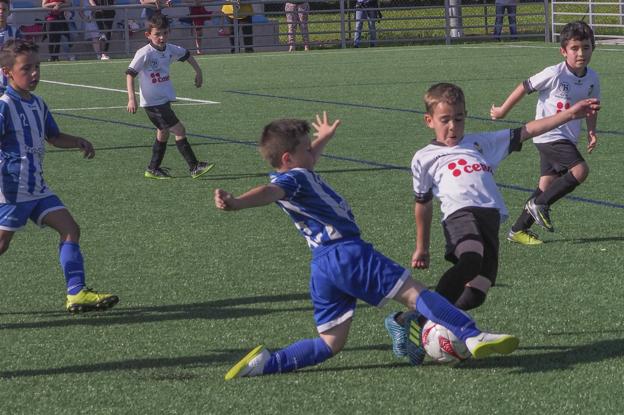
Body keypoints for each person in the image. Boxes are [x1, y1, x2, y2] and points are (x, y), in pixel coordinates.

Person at [215, 112, 523, 380]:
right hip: (348, 253)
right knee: (416, 295)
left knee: (330, 342)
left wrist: (322, 140)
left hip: (322, 265)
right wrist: (238, 202)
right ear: (289, 159)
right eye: (308, 148)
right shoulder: (294, 179)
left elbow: (296, 168)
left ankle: (268, 363)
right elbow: (270, 191)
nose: (314, 151)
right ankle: (471, 335)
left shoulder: (296, 172)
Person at [396, 83, 599, 365]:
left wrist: (570, 114)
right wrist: (422, 247)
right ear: (429, 121)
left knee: (479, 288)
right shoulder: (424, 157)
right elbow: (423, 203)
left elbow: (527, 130)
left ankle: (413, 321)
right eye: (445, 120)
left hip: (489, 218)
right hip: (459, 214)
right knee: (470, 258)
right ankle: (435, 322)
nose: (453, 126)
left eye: (459, 118)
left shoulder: (480, 143)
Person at [0, 39, 119, 313]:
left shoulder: (38, 103)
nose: (34, 73)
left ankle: (76, 293)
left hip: (37, 186)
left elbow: (53, 136)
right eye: (26, 68)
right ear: (7, 72)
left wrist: (77, 140)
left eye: (37, 67)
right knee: (2, 244)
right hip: (12, 188)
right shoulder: (4, 106)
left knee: (70, 229)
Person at [490, 21, 600, 245]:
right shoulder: (554, 73)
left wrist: (591, 131)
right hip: (547, 134)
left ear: (592, 48)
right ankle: (541, 204)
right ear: (563, 51)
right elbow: (524, 86)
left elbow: (592, 106)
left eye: (586, 48)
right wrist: (502, 110)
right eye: (575, 48)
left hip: (567, 136)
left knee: (546, 185)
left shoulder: (592, 78)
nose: (581, 53)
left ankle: (518, 229)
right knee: (580, 170)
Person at [126, 12, 214, 179]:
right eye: (157, 34)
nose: (161, 37)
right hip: (153, 103)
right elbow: (130, 74)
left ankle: (153, 168)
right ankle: (194, 166)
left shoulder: (170, 49)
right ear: (148, 35)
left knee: (163, 132)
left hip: (164, 101)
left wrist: (199, 72)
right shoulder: (144, 53)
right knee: (179, 130)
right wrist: (132, 98)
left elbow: (187, 54)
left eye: (165, 33)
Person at [0, 0, 21, 93]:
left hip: (9, 78)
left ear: (9, 12)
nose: (1, 12)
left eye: (4, 9)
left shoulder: (15, 32)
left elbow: (21, 53)